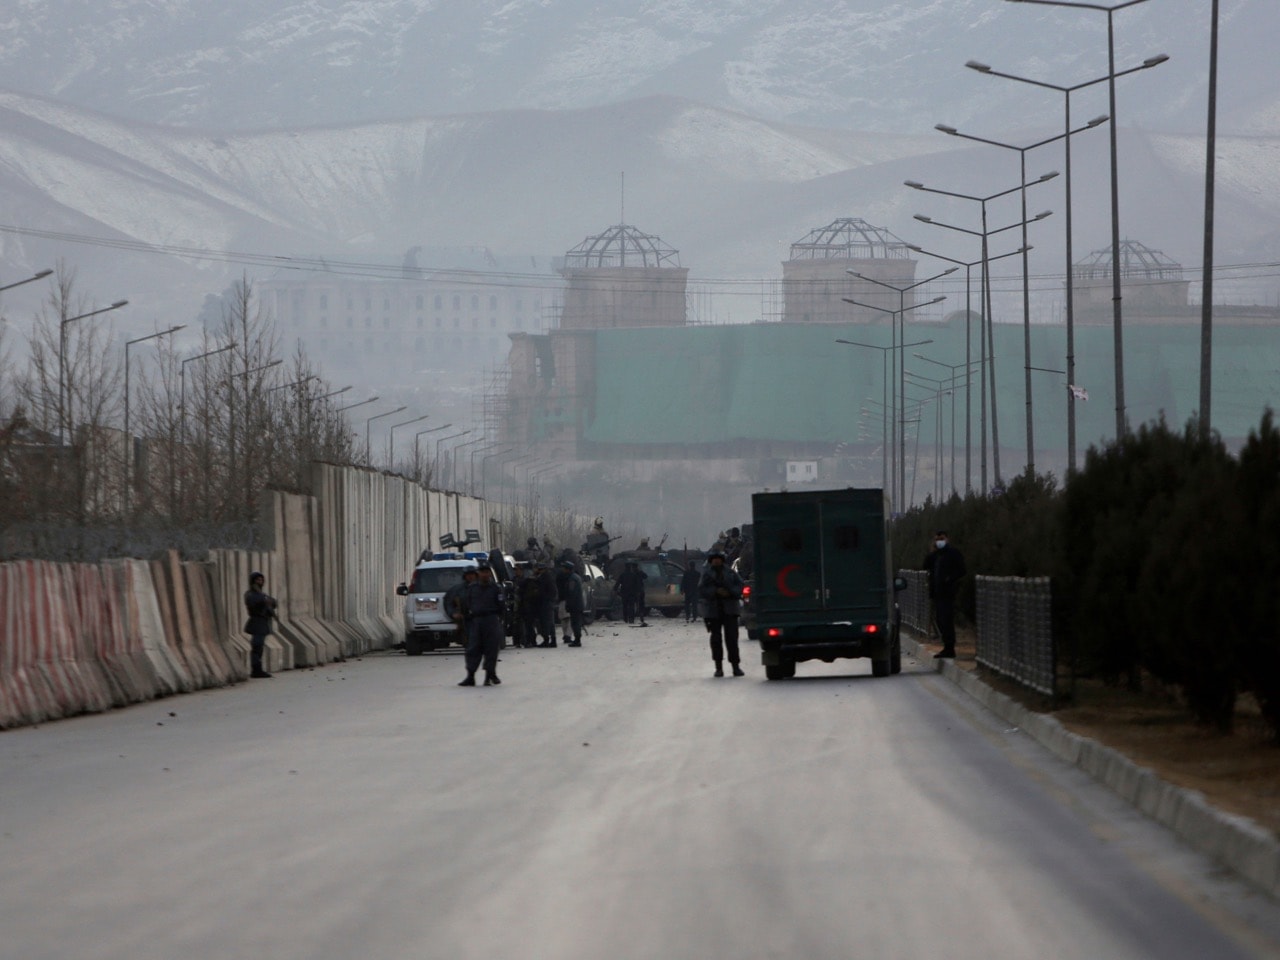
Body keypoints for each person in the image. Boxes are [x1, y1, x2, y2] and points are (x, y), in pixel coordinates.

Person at [459, 561, 506, 686]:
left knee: (491, 649)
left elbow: (502, 606)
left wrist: (502, 620)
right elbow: (466, 604)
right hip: (476, 621)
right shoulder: (472, 588)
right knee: (473, 648)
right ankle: (470, 676)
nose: (485, 574)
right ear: (478, 573)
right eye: (482, 572)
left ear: (490, 573)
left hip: (491, 620)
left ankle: (489, 675)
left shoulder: (496, 588)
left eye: (487, 572)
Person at [699, 549, 745, 677]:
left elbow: (740, 585)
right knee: (716, 640)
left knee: (732, 640)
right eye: (714, 559)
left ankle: (735, 666)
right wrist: (715, 591)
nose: (716, 560)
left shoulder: (730, 573)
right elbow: (702, 589)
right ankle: (718, 667)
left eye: (718, 558)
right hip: (713, 611)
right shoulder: (707, 574)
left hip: (730, 610)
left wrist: (729, 591)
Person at [925, 529, 966, 659]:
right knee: (939, 620)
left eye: (941, 539)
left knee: (946, 620)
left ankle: (950, 648)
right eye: (937, 539)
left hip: (948, 593)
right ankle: (947, 647)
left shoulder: (953, 553)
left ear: (947, 539)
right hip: (937, 593)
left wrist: (949, 579)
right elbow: (925, 565)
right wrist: (932, 550)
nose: (939, 542)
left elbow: (962, 570)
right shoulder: (936, 555)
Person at [243, 570, 277, 678]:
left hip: (262, 622)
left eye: (261, 579)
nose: (260, 581)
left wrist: (266, 601)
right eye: (258, 580)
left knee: (259, 647)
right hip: (257, 621)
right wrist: (264, 600)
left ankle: (257, 669)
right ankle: (256, 670)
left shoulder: (261, 594)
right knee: (257, 646)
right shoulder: (250, 594)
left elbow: (274, 602)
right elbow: (255, 603)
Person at [558, 559, 586, 646]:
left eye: (564, 568)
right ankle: (577, 639)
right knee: (575, 622)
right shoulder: (575, 577)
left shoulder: (572, 579)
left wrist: (569, 604)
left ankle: (577, 640)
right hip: (577, 605)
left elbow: (571, 593)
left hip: (575, 605)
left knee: (575, 623)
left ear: (568, 569)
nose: (563, 570)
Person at [513, 562, 541, 648]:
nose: (515, 572)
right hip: (518, 605)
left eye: (517, 570)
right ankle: (520, 641)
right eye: (515, 570)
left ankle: (530, 641)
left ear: (521, 570)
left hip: (527, 605)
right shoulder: (514, 579)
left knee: (529, 625)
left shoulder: (526, 580)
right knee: (518, 625)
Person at [615, 558, 648, 624]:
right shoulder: (634, 574)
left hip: (625, 593)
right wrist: (638, 591)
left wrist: (616, 590)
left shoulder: (623, 574)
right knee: (632, 606)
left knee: (625, 606)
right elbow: (640, 581)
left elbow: (618, 583)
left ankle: (626, 618)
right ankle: (632, 618)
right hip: (633, 593)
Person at [535, 560, 559, 647]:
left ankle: (547, 640)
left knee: (546, 623)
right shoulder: (547, 576)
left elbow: (547, 591)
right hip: (547, 603)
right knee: (550, 622)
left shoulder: (544, 577)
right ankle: (552, 640)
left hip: (545, 603)